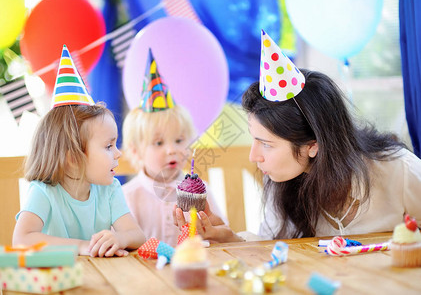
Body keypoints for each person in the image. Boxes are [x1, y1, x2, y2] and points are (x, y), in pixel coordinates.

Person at [173, 30, 421, 242]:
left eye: (266, 144)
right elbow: (271, 249)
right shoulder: (285, 184)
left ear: (313, 146)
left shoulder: (398, 170)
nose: (253, 156)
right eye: (254, 139)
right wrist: (229, 238)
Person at [13, 45, 145, 256]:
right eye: (109, 146)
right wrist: (84, 246)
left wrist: (119, 238)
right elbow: (22, 239)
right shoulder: (44, 192)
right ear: (73, 157)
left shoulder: (109, 190)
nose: (118, 153)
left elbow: (137, 236)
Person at [122, 49, 225, 247]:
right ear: (135, 151)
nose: (172, 150)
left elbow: (220, 235)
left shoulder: (199, 191)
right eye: (159, 143)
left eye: (179, 141)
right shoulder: (128, 197)